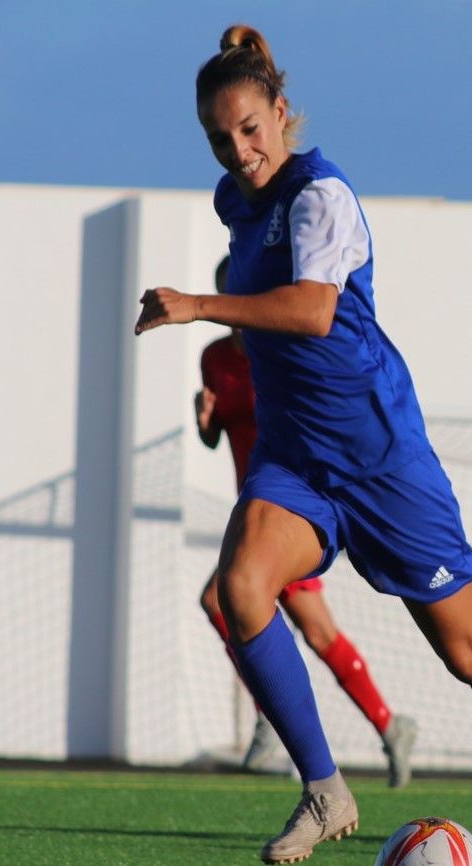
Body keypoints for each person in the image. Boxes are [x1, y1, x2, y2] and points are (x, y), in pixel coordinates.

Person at [136, 26, 472, 865]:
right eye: (221, 136)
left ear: (282, 114)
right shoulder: (233, 199)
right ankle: (324, 790)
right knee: (241, 591)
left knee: (469, 652)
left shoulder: (324, 196)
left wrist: (198, 307)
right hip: (297, 459)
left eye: (251, 127)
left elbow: (315, 311)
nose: (239, 149)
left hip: (381, 458)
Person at [195, 255, 418, 787]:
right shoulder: (215, 360)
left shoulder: (284, 350)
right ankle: (388, 727)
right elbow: (217, 434)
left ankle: (275, 718)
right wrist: (204, 422)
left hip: (289, 510)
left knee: (241, 606)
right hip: (252, 510)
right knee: (312, 630)